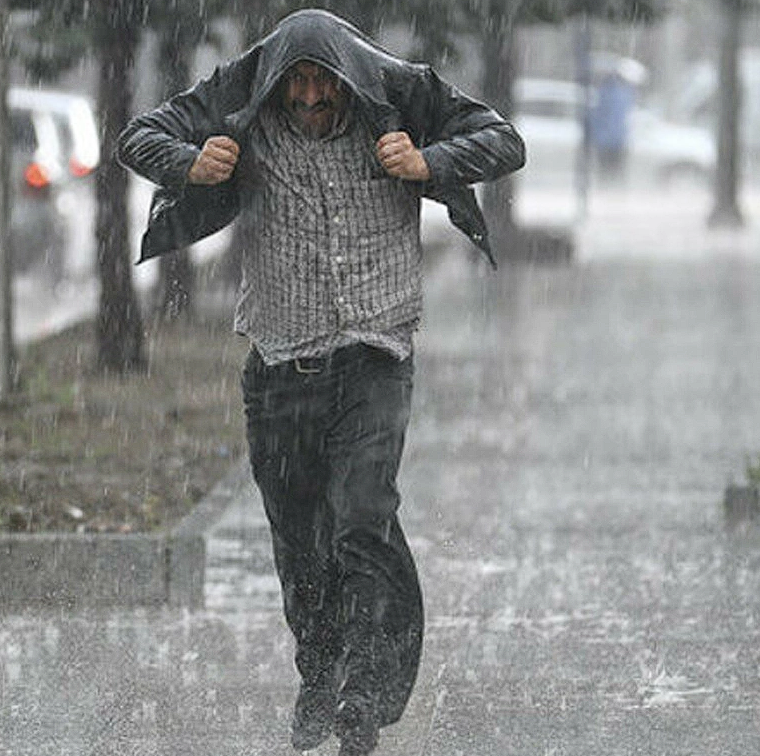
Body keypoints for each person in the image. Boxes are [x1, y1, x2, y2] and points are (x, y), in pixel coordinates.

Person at [119, 10, 524, 756]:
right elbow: (136, 137)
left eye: (321, 82)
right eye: (295, 83)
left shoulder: (398, 92)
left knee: (362, 520)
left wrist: (427, 161)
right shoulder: (242, 92)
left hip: (374, 355)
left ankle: (362, 696)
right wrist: (190, 163)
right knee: (300, 543)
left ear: (348, 78)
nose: (308, 96)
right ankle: (320, 673)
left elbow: (504, 141)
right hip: (278, 365)